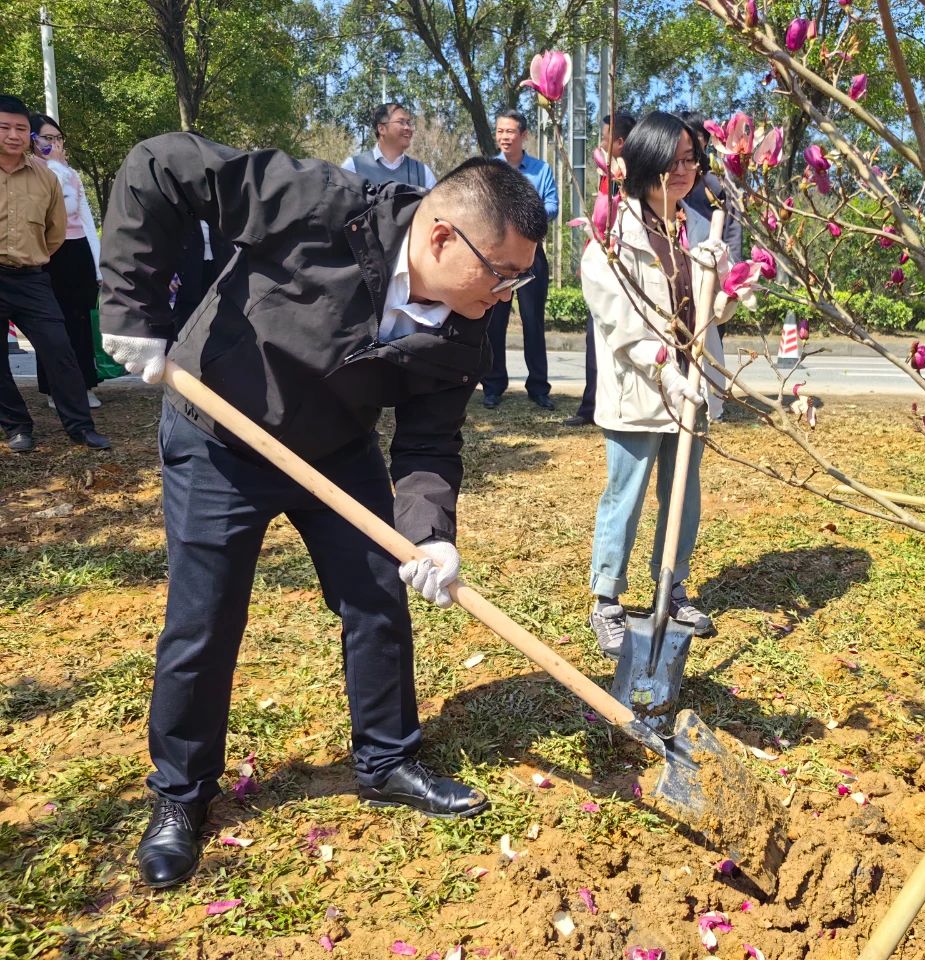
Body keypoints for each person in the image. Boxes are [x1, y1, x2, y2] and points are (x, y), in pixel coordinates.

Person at [98, 133, 546, 889]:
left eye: (517, 282)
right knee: (205, 619)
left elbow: (429, 443)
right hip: (220, 437)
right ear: (442, 237)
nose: (504, 295)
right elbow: (159, 165)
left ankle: (387, 759)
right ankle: (181, 796)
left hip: (336, 450)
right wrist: (131, 308)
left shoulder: (466, 323)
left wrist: (430, 536)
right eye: (501, 274)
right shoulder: (320, 205)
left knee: (377, 597)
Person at [580, 111, 730, 658]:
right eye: (672, 161)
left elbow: (715, 314)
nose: (683, 171)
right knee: (626, 493)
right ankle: (606, 598)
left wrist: (728, 283)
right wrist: (663, 367)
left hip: (695, 383)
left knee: (682, 494)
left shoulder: (698, 229)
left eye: (691, 160)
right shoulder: (612, 236)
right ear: (645, 163)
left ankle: (673, 584)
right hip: (642, 387)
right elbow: (617, 320)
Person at [0, 94, 110, 452]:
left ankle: (80, 426)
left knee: (60, 350)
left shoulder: (45, 175)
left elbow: (56, 230)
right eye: (5, 127)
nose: (13, 135)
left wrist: (34, 257)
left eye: (21, 129)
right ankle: (17, 426)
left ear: (29, 135)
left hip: (31, 277)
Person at [563, 110, 636, 429]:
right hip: (602, 263)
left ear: (620, 143)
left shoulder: (630, 180)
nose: (600, 144)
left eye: (605, 138)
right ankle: (591, 404)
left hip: (622, 267)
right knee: (595, 335)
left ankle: (615, 403)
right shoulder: (609, 176)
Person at [482, 109, 557, 410]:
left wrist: (523, 216)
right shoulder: (490, 169)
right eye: (500, 131)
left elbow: (552, 206)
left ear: (524, 135)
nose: (504, 137)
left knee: (533, 322)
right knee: (494, 323)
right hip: (497, 260)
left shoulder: (541, 170)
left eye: (510, 131)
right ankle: (493, 386)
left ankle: (538, 387)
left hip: (531, 256)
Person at [29, 114, 103, 409]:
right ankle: (54, 388)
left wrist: (98, 263)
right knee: (51, 324)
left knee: (80, 321)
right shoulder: (30, 171)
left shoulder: (71, 174)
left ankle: (85, 385)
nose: (55, 144)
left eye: (58, 138)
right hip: (47, 252)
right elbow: (54, 206)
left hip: (77, 250)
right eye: (48, 138)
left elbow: (84, 217)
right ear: (33, 140)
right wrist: (54, 167)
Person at [678, 110, 744, 423]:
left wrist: (731, 273)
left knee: (710, 335)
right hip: (684, 269)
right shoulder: (676, 187)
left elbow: (731, 227)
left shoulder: (715, 183)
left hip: (712, 268)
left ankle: (709, 399)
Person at [342, 102, 437, 189]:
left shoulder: (423, 173)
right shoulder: (353, 167)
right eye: (401, 122)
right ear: (381, 129)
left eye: (408, 123)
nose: (407, 128)